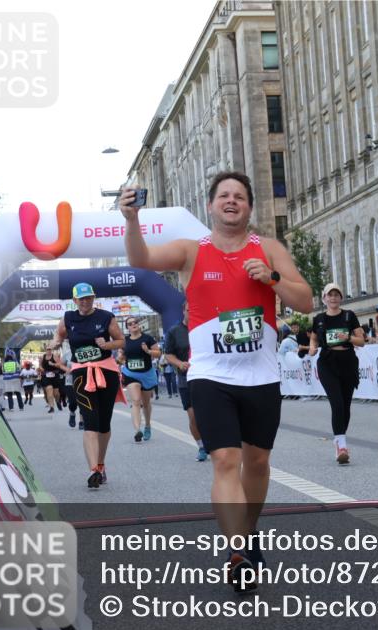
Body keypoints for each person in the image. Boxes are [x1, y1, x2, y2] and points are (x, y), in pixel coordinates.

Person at [122, 171, 313, 590]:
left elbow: (307, 300)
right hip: (211, 376)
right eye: (223, 196)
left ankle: (248, 528)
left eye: (239, 197)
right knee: (225, 460)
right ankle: (237, 551)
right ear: (210, 205)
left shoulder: (269, 249)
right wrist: (132, 220)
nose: (231, 201)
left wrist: (274, 279)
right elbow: (140, 260)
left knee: (258, 462)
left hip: (261, 376)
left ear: (249, 207)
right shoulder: (192, 251)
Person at [50, 282, 125, 488]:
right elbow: (59, 334)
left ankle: (101, 464)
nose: (85, 302)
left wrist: (107, 345)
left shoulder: (106, 317)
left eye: (89, 298)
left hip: (106, 372)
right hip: (82, 373)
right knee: (90, 420)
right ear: (75, 300)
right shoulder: (68, 318)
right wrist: (56, 341)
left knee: (104, 423)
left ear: (93, 298)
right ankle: (94, 470)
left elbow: (121, 341)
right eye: (81, 298)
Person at [308, 283, 366, 464]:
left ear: (341, 298)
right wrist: (311, 348)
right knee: (337, 403)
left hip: (348, 361)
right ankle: (341, 445)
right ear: (324, 298)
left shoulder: (349, 316)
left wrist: (348, 337)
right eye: (329, 295)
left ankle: (340, 439)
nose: (333, 298)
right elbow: (314, 338)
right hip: (327, 362)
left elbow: (361, 341)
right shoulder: (318, 318)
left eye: (336, 295)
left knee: (346, 405)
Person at [163, 301, 206, 462]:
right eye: (189, 310)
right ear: (183, 311)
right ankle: (202, 446)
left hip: (207, 377)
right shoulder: (174, 332)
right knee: (193, 416)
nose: (192, 312)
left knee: (210, 414)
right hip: (185, 378)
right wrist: (179, 364)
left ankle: (213, 441)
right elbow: (168, 355)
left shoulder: (204, 328)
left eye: (194, 309)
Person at [120, 317, 161, 442]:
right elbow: (121, 357)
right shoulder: (124, 341)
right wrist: (120, 358)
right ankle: (137, 430)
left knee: (146, 403)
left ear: (139, 325)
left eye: (135, 322)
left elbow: (158, 353)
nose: (133, 325)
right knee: (136, 401)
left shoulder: (148, 338)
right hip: (130, 374)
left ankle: (147, 425)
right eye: (130, 324)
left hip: (147, 374)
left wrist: (148, 351)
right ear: (127, 327)